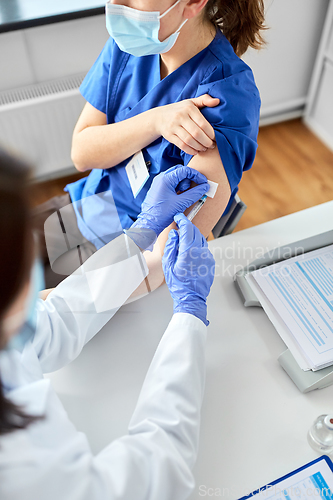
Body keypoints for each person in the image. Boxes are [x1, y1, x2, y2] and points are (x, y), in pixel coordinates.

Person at [0, 149, 215, 500]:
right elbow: (158, 469)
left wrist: (140, 234)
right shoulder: (21, 468)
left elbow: (55, 322)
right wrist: (189, 314)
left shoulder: (7, 332)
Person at [34, 0, 264, 289]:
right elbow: (82, 153)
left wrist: (53, 305)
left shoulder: (225, 97)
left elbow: (163, 257)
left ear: (192, 3)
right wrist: (155, 121)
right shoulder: (133, 44)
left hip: (128, 254)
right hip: (87, 201)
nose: (117, 4)